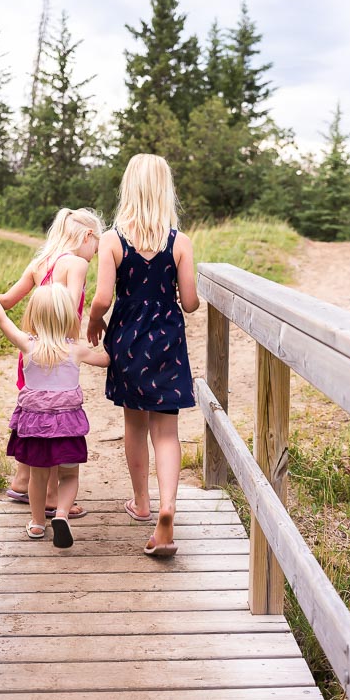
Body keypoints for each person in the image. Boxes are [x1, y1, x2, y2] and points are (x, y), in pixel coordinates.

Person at [87, 154, 199, 557]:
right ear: (165, 190)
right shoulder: (179, 242)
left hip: (129, 338)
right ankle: (168, 505)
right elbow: (189, 303)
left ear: (128, 189)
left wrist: (93, 322)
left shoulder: (112, 240)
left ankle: (142, 503)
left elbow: (102, 297)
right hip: (167, 339)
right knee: (166, 430)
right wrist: (190, 293)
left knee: (134, 424)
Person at [0, 208, 104, 520]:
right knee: (56, 420)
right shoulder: (78, 264)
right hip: (59, 351)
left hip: (31, 351)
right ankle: (54, 497)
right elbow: (68, 311)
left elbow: (5, 303)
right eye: (95, 246)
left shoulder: (39, 263)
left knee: (34, 418)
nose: (94, 254)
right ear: (86, 237)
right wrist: (74, 347)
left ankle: (22, 482)